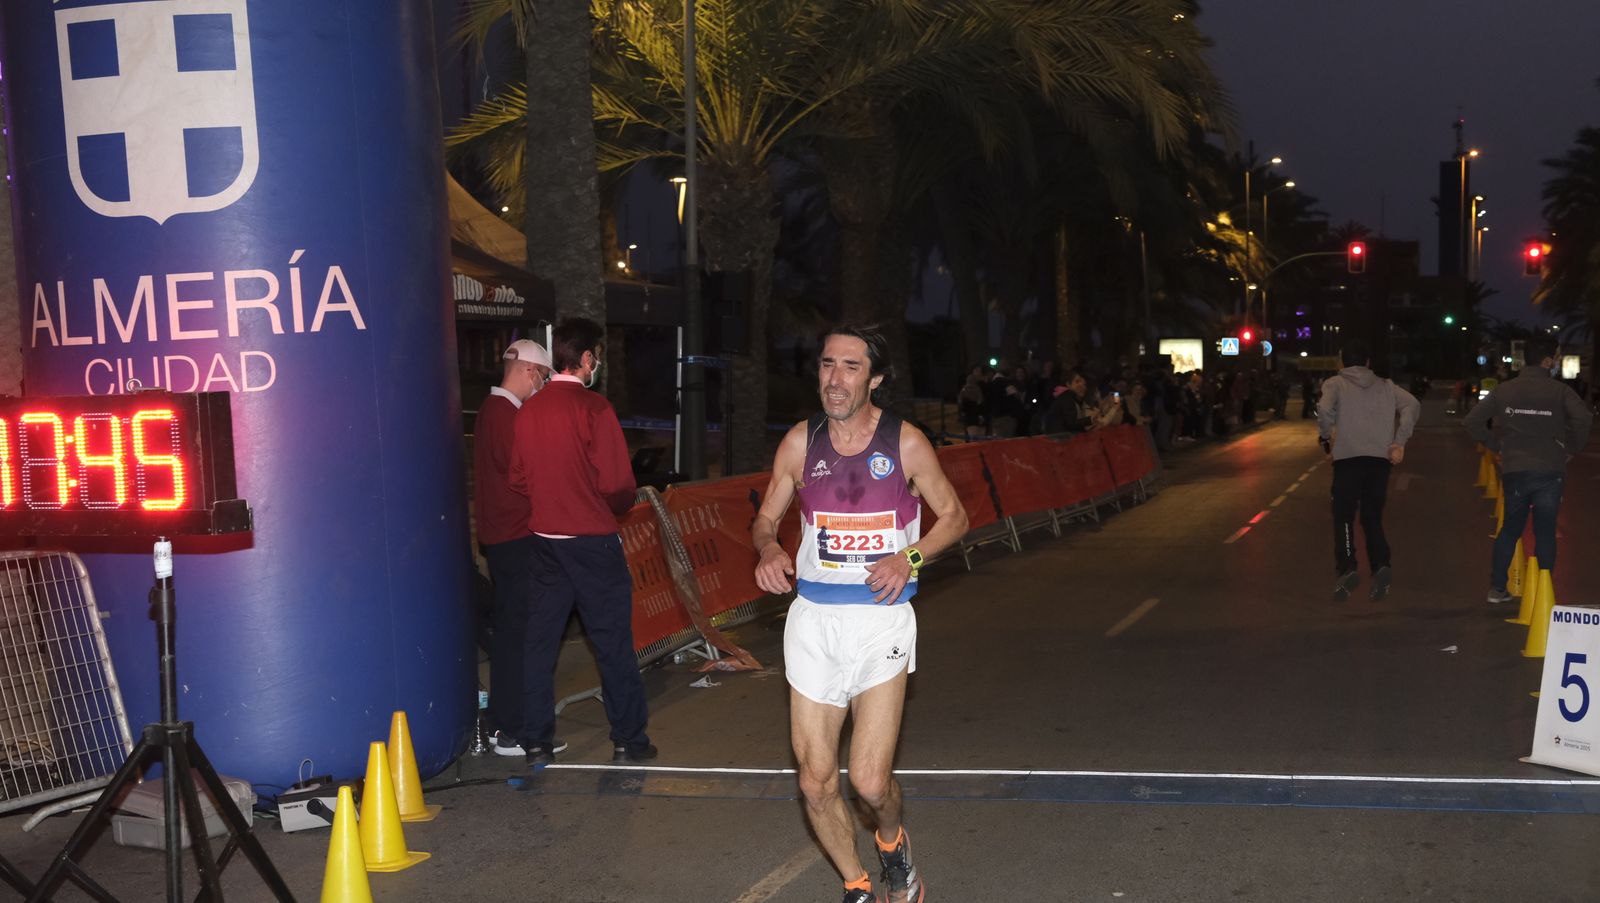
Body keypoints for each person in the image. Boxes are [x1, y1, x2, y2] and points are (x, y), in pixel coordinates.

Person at [752, 324, 968, 903]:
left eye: (850, 367)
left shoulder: (907, 442)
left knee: (870, 782)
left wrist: (909, 556)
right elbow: (766, 517)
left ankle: (893, 844)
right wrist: (769, 546)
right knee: (815, 782)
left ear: (875, 379)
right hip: (814, 623)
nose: (834, 378)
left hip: (880, 621)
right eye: (827, 364)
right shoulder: (801, 442)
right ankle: (857, 885)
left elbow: (955, 516)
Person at [508, 318, 655, 766]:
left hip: (546, 542)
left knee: (540, 643)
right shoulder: (595, 409)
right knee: (611, 642)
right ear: (587, 358)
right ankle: (629, 739)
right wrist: (605, 503)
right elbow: (617, 485)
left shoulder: (528, 409)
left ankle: (536, 739)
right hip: (592, 542)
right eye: (598, 356)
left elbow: (517, 478)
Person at [474, 339, 565, 758]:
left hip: (503, 537)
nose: (542, 385)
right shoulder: (506, 415)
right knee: (521, 634)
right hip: (515, 537)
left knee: (516, 631)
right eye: (544, 377)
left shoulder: (493, 412)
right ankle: (510, 728)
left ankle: (509, 724)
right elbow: (524, 477)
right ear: (530, 371)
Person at [1465, 337, 1593, 605]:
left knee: (1511, 528)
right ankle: (1544, 589)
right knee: (1545, 529)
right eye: (1555, 359)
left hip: (1515, 468)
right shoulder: (1560, 391)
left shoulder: (1505, 390)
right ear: (1547, 361)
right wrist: (1571, 447)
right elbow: (1583, 418)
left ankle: (1497, 587)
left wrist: (1495, 446)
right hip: (1549, 469)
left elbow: (1473, 420)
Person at [1317, 342, 1420, 601]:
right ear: (1368, 363)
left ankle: (1348, 568)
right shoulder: (1387, 386)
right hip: (1379, 461)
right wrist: (1400, 440)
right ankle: (1381, 565)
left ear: (1341, 362)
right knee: (1372, 516)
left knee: (1344, 516)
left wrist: (1325, 436)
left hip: (1347, 461)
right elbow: (1412, 405)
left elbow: (1324, 410)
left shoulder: (1335, 384)